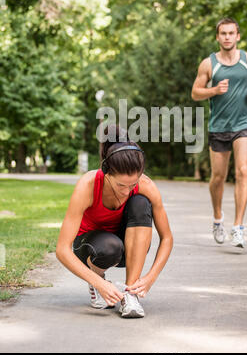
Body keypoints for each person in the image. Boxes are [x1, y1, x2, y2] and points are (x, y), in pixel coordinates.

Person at [56, 126, 173, 318]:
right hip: (90, 248)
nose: (127, 191)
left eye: (133, 184)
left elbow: (167, 238)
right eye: (120, 185)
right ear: (106, 172)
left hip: (128, 249)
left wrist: (151, 277)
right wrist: (99, 283)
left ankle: (130, 293)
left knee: (141, 203)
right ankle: (98, 279)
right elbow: (62, 249)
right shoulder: (88, 185)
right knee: (110, 247)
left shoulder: (146, 186)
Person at [191, 17, 247, 248]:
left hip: (244, 123)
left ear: (238, 36)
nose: (227, 37)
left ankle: (238, 227)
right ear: (217, 37)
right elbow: (195, 93)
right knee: (218, 178)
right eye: (223, 33)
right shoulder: (209, 64)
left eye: (231, 33)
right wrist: (213, 90)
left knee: (243, 171)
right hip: (219, 126)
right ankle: (217, 218)